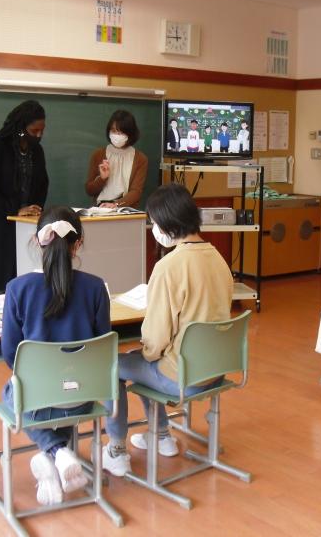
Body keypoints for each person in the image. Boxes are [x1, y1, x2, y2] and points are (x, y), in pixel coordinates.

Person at [102, 184, 233, 477]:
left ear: (167, 222)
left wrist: (147, 352)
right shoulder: (218, 258)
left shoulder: (168, 266)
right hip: (215, 369)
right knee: (144, 361)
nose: (154, 229)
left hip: (182, 377)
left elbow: (156, 340)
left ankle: (116, 448)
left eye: (154, 222)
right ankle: (161, 435)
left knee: (114, 364)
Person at [0, 206, 111, 506]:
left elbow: (11, 355)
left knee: (10, 392)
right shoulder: (95, 287)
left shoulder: (17, 289)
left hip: (38, 400)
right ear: (78, 244)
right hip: (83, 395)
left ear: (37, 241)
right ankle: (57, 453)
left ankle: (54, 451)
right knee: (57, 388)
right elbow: (102, 346)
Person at [0, 100, 49, 296]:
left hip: (26, 226)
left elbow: (43, 184)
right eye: (34, 131)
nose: (38, 135)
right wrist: (13, 209)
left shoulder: (37, 151)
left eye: (42, 131)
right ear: (21, 128)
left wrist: (35, 209)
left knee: (26, 280)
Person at [85, 109, 148, 208]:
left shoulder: (140, 159)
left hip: (125, 208)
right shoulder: (98, 154)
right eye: (114, 131)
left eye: (121, 132)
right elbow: (89, 190)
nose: (117, 135)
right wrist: (102, 179)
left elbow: (136, 191)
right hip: (101, 208)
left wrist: (116, 204)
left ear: (130, 134)